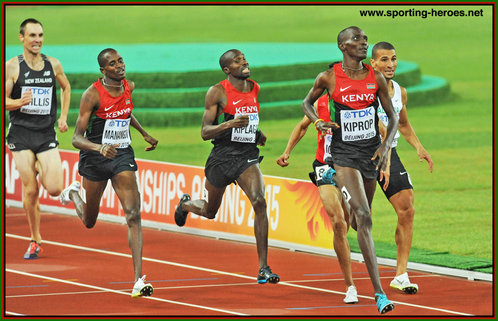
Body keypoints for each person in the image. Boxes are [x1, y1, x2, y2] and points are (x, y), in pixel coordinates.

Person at [302, 26, 399, 314]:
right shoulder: (329, 77)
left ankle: (339, 186)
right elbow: (306, 103)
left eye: (365, 40)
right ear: (343, 46)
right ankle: (379, 294)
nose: (364, 43)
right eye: (357, 40)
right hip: (343, 155)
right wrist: (318, 121)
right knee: (365, 218)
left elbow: (392, 117)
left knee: (358, 222)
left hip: (369, 155)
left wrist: (384, 147)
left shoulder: (375, 77)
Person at [174, 49, 280, 284]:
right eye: (237, 61)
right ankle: (186, 204)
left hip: (246, 156)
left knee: (260, 201)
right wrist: (230, 124)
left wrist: (257, 133)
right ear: (227, 69)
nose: (244, 62)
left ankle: (263, 267)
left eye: (244, 59)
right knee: (210, 212)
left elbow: (250, 118)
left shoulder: (254, 87)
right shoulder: (217, 92)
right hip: (221, 157)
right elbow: (204, 132)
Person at [59, 48, 158, 298]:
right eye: (112, 64)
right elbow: (75, 138)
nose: (119, 66)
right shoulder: (92, 95)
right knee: (90, 221)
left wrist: (143, 132)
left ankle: (138, 279)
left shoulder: (128, 86)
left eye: (121, 60)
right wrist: (99, 147)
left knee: (133, 214)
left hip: (122, 154)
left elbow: (124, 112)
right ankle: (73, 194)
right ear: (103, 70)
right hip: (95, 158)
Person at [276, 90, 359, 304]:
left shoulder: (358, 104)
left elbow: (380, 130)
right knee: (338, 224)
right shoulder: (320, 104)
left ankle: (355, 213)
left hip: (350, 167)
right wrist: (287, 151)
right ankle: (350, 285)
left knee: (354, 221)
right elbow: (303, 126)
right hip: (325, 167)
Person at [371, 41, 434, 294]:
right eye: (384, 59)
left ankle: (401, 274)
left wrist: (419, 146)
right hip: (363, 155)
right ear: (372, 63)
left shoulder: (400, 91)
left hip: (390, 153)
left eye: (394, 59)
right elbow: (378, 125)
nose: (390, 64)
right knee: (355, 219)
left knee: (407, 208)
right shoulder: (365, 89)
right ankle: (350, 278)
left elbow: (404, 124)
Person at [5, 18, 71, 260]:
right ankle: (35, 239)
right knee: (31, 190)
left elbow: (66, 88)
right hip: (21, 134)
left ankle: (38, 165)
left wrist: (63, 117)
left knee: (54, 189)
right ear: (21, 38)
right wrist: (19, 102)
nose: (38, 40)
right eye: (32, 35)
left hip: (45, 133)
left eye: (40, 35)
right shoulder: (12, 67)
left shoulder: (53, 64)